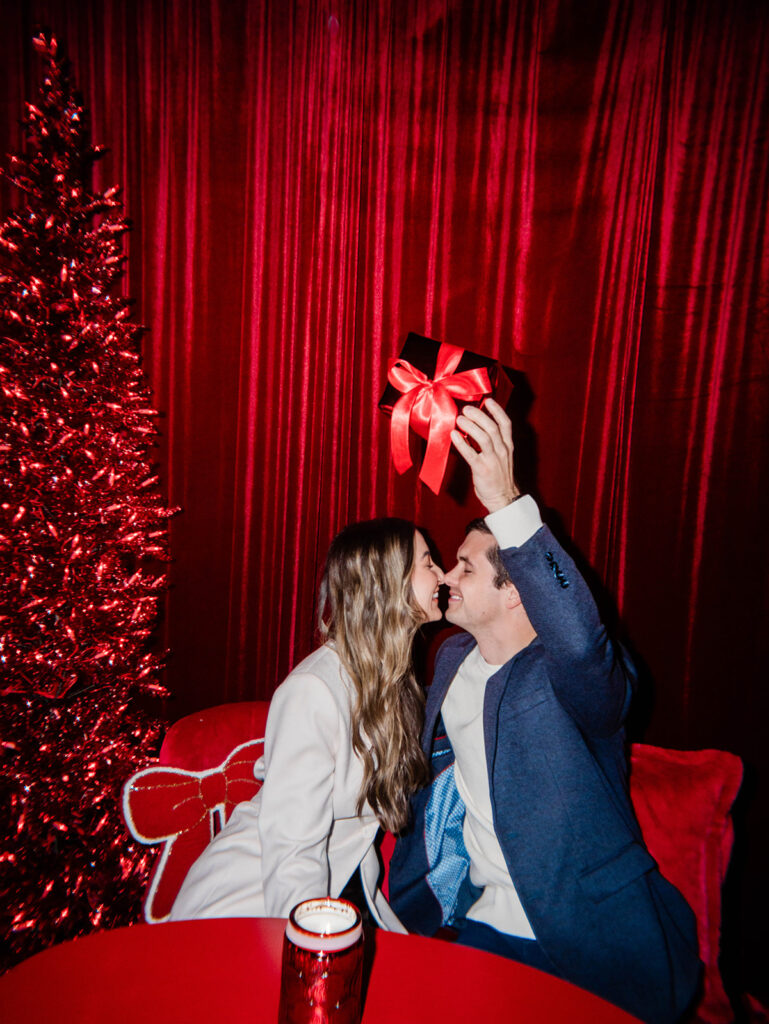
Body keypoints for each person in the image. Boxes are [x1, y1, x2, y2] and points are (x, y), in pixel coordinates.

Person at [388, 399, 702, 1024]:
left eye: (466, 567)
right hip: (481, 925)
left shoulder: (575, 678)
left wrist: (507, 503)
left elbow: (583, 641)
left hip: (591, 940)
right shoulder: (450, 661)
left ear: (516, 594)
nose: (448, 575)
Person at [170, 517, 443, 929]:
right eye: (427, 563)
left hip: (342, 891)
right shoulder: (313, 691)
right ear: (389, 581)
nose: (441, 574)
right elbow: (292, 851)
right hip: (251, 903)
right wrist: (313, 949)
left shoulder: (393, 682)